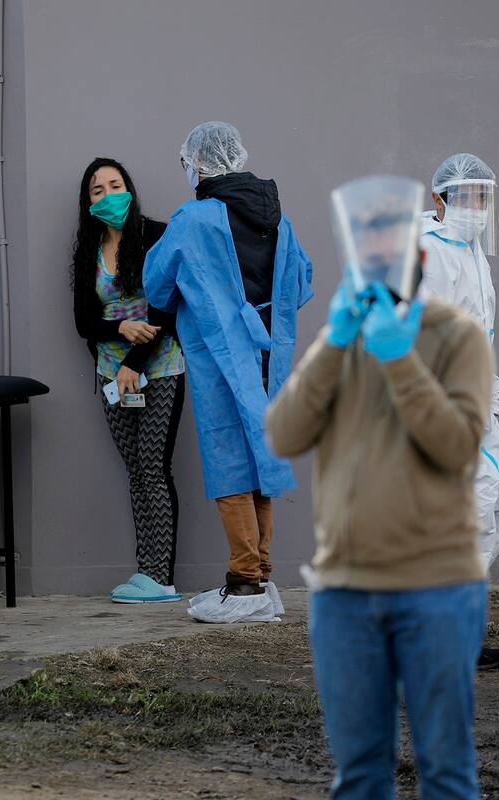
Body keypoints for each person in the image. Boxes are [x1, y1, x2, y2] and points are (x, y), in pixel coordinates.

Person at [267, 174, 493, 799]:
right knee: (359, 776)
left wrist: (400, 359)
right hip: (345, 593)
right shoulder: (341, 338)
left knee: (446, 773)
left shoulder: (460, 339)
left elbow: (455, 445)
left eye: (392, 251)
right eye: (367, 253)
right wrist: (332, 347)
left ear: (419, 253)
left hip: (439, 589)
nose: (380, 263)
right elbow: (284, 435)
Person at [143, 121, 313, 622]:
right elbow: (302, 283)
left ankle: (243, 584)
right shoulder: (281, 221)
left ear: (199, 164)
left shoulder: (194, 219)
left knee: (228, 459)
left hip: (222, 355)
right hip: (269, 357)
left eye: (188, 163)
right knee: (261, 455)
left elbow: (156, 285)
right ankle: (260, 575)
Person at [420, 153, 499, 671]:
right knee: (478, 503)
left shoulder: (472, 251)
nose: (476, 206)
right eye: (466, 196)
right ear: (439, 198)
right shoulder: (426, 251)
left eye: (484, 196)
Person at [69, 157, 185, 603]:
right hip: (110, 376)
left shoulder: (156, 236)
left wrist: (135, 359)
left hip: (158, 367)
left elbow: (168, 308)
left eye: (115, 185)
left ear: (129, 189)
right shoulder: (89, 248)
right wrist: (118, 331)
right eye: (98, 190)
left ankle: (162, 576)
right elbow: (83, 320)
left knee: (154, 467)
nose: (108, 195)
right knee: (135, 471)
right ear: (89, 202)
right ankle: (145, 571)